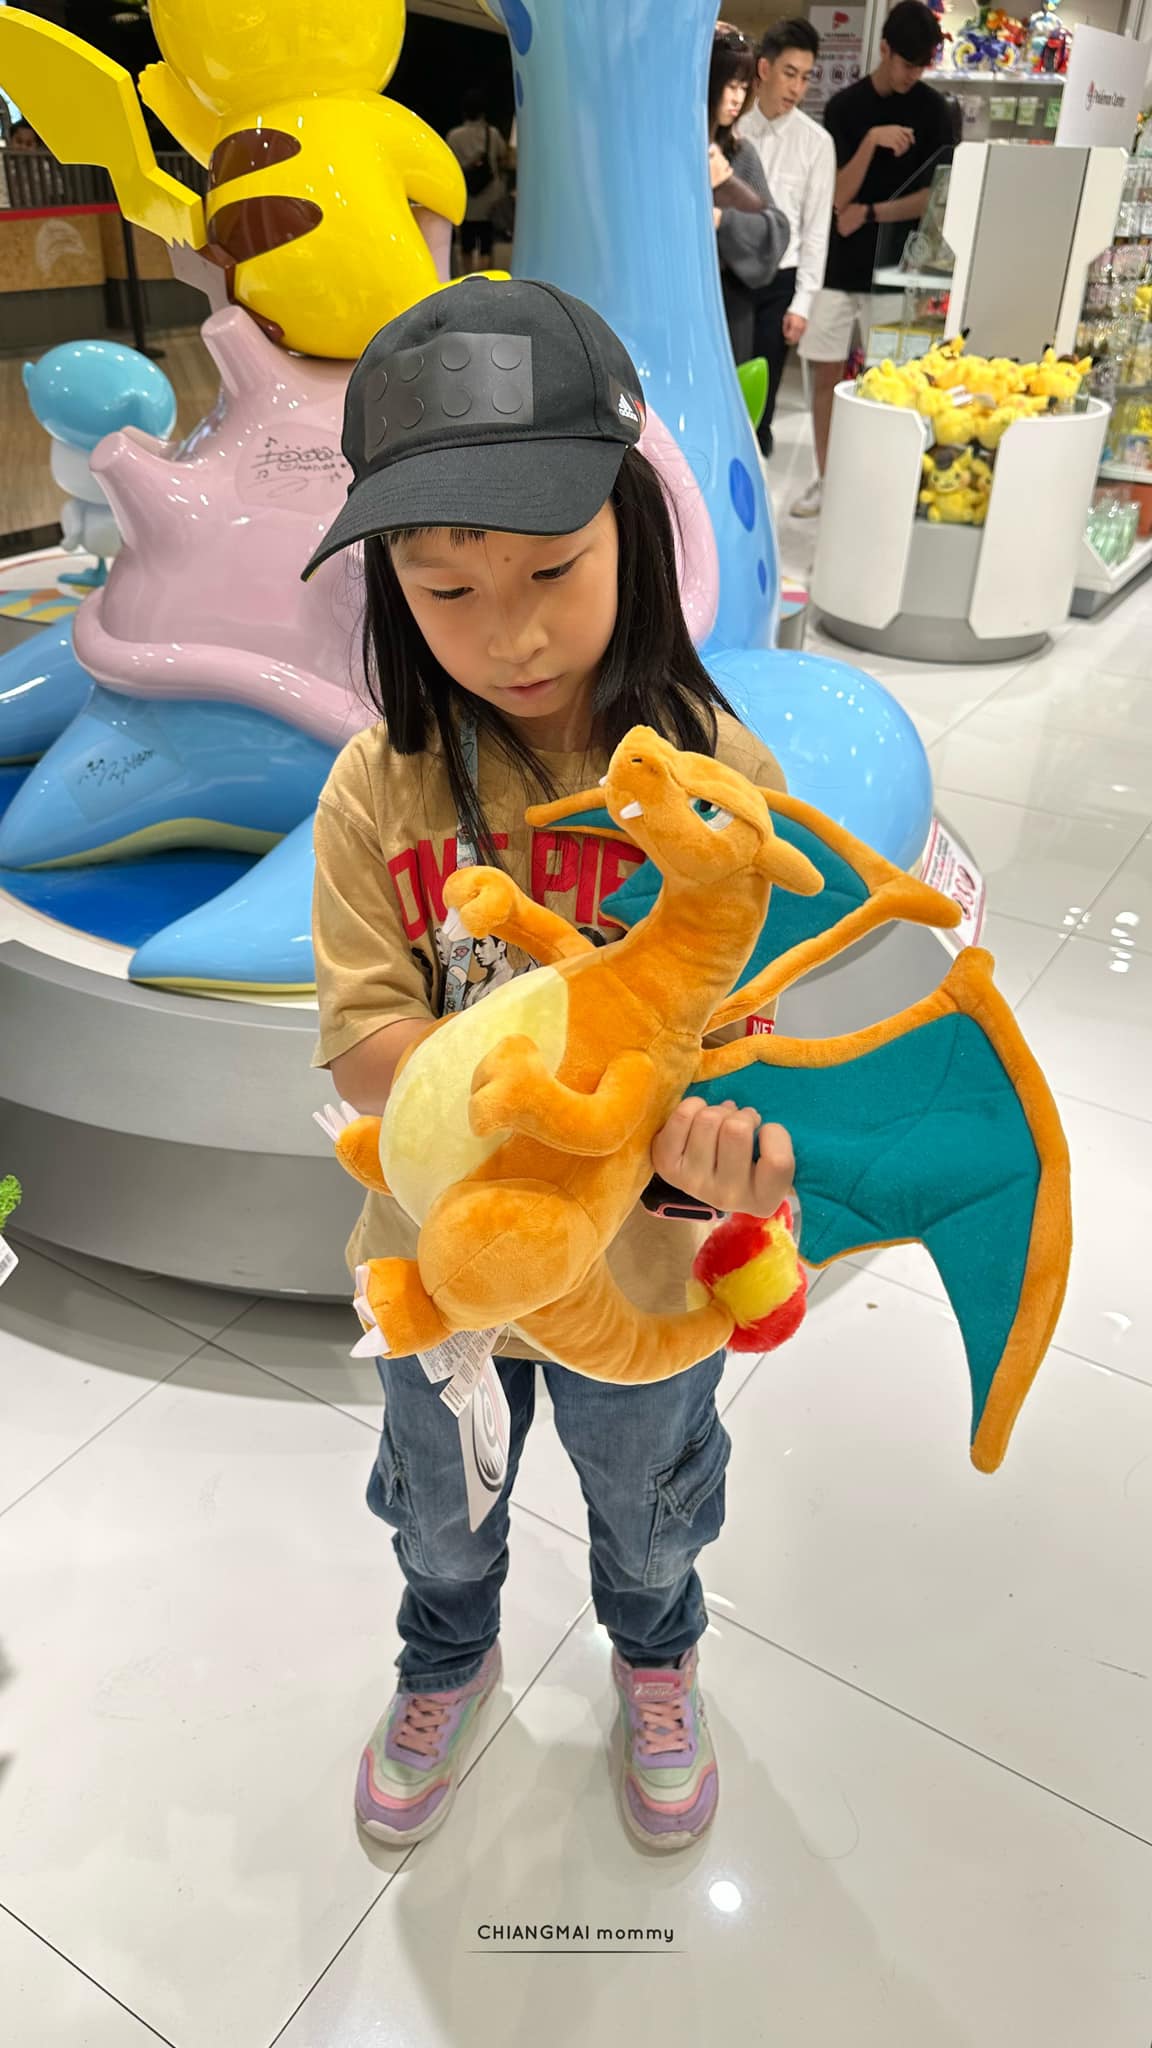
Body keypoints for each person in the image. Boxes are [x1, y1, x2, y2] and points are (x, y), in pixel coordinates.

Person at [308, 277, 796, 1854]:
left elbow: (752, 1055)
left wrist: (729, 1147)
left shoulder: (712, 789)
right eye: (445, 589)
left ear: (634, 532)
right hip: (438, 1266)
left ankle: (658, 1657)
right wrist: (517, 1090)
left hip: (644, 1271)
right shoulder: (377, 788)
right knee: (438, 1518)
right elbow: (363, 1043)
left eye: (552, 568)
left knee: (649, 1503)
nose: (508, 631)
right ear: (389, 583)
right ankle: (446, 1660)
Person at [792, 0, 953, 517]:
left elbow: (935, 197)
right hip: (837, 270)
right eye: (906, 63)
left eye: (921, 66)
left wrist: (872, 212)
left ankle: (884, 484)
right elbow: (837, 197)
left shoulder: (935, 112)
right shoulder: (845, 108)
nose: (912, 75)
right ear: (884, 49)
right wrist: (869, 142)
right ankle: (827, 479)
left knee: (893, 381)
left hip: (898, 273)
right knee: (824, 377)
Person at [736, 20, 835, 458]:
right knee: (726, 377)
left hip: (780, 281)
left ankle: (757, 459)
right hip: (730, 275)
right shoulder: (732, 129)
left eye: (806, 77)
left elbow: (816, 229)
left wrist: (803, 303)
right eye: (790, 73)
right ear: (764, 69)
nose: (798, 87)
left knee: (765, 383)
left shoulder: (816, 143)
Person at [708, 27, 789, 374]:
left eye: (743, 87)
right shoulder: (672, 153)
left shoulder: (741, 154)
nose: (737, 98)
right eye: (730, 85)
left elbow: (776, 230)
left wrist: (721, 219)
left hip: (732, 310)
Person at [446, 88, 509, 274]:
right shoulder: (492, 134)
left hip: (465, 197)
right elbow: (503, 158)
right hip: (488, 199)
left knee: (466, 243)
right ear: (483, 112)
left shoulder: (454, 136)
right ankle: (484, 276)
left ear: (464, 112)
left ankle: (468, 276)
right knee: (485, 243)